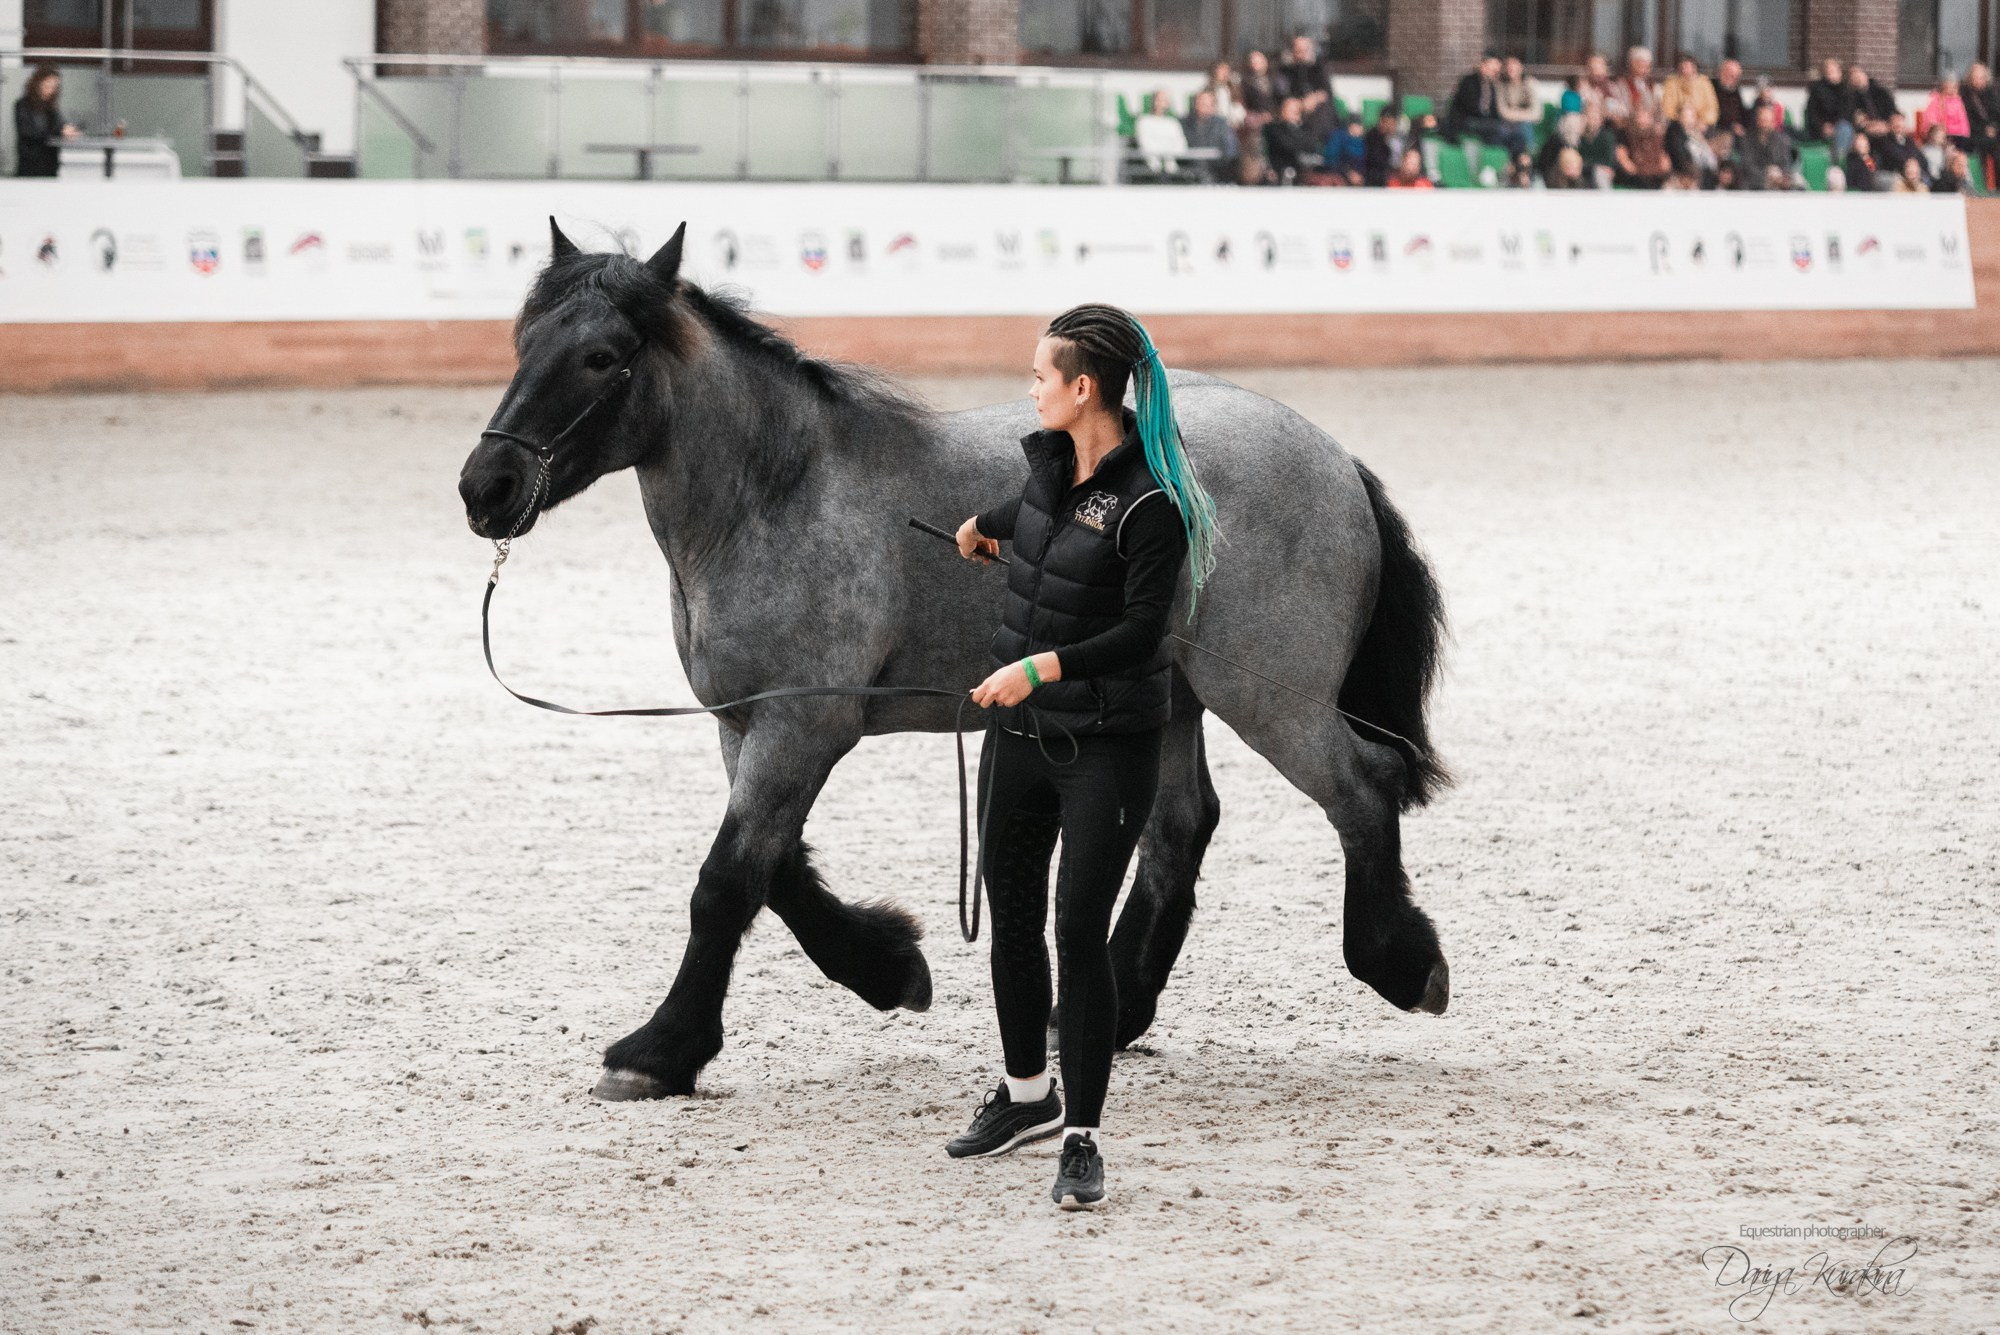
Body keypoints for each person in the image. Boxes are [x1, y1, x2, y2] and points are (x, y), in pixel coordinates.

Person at [950, 304, 1216, 1213]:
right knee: (1013, 914)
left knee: (1077, 929)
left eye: (1038, 377)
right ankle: (1028, 1094)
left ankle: (1083, 1136)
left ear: (1083, 388)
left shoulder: (1151, 503)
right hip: (1021, 739)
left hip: (1105, 746)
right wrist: (977, 528)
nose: (1028, 389)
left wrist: (1038, 665)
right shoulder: (1049, 468)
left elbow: (1144, 632)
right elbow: (1027, 520)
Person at [1447, 53, 1531, 158]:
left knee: (1517, 134)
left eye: (1496, 70)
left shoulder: (1491, 86)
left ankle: (1516, 163)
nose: (1494, 72)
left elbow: (1494, 110)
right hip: (1468, 121)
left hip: (1487, 124)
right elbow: (1473, 107)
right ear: (1483, 65)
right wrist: (1494, 121)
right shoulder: (1469, 81)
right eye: (1492, 68)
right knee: (1499, 130)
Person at [12, 64, 80, 178]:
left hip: (49, 162)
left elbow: (59, 123)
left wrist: (66, 129)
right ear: (38, 83)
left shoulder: (51, 107)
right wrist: (57, 132)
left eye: (54, 86)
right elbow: (28, 131)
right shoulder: (22, 105)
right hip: (30, 163)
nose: (50, 90)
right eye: (48, 84)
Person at [1733, 102, 1798, 190]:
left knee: (1798, 183)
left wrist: (1780, 176)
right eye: (1762, 120)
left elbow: (1786, 163)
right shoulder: (1747, 140)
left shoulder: (1782, 140)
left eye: (1767, 121)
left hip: (1779, 179)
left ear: (1773, 122)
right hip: (1756, 180)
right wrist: (1767, 175)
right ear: (1757, 121)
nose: (1765, 125)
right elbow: (1747, 166)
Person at [1181, 88, 1239, 184]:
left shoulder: (1221, 124)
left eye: (1207, 104)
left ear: (1213, 107)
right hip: (1189, 172)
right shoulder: (1184, 123)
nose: (1203, 106)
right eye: (1200, 103)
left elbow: (1230, 149)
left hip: (1216, 173)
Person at [1133, 91, 1192, 180]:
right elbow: (1145, 145)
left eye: (1164, 100)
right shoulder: (1144, 121)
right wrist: (1164, 151)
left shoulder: (1173, 123)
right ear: (1153, 101)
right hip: (1150, 171)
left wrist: (1168, 155)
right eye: (1158, 100)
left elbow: (1182, 145)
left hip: (1173, 171)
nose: (1161, 103)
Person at [1263, 96, 1320, 183]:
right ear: (1283, 110)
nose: (1295, 111)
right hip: (1282, 169)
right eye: (1291, 108)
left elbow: (1312, 145)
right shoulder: (1274, 128)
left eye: (1297, 108)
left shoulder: (1306, 129)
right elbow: (1287, 146)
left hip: (1304, 169)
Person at [1804, 57, 1854, 156]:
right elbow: (1812, 112)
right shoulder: (1817, 91)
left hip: (1840, 125)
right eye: (1828, 72)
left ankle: (1839, 160)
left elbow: (1847, 112)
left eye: (1833, 71)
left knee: (1845, 129)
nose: (1830, 74)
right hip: (1820, 128)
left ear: (1840, 73)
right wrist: (1822, 126)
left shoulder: (1846, 91)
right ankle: (1836, 162)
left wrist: (1834, 126)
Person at [1615, 104, 1671, 188]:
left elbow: (1664, 157)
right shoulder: (1625, 133)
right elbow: (1622, 156)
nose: (1644, 118)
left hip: (1656, 172)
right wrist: (1633, 169)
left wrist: (1664, 168)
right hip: (1636, 174)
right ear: (1635, 116)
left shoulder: (1657, 135)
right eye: (1641, 114)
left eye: (1646, 115)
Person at [1665, 101, 1720, 187]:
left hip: (1702, 168)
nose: (1691, 119)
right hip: (1685, 171)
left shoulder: (1696, 133)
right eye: (1687, 116)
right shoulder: (1675, 132)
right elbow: (1679, 156)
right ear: (1680, 117)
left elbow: (1707, 154)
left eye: (1692, 116)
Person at [1604, 45, 1661, 127]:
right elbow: (1614, 107)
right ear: (1632, 65)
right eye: (1640, 66)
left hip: (1650, 127)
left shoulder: (1655, 87)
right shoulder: (1620, 85)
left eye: (1646, 67)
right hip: (1628, 126)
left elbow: (1658, 109)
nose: (1643, 70)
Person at [1660, 52, 1718, 129]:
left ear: (1694, 68)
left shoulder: (1704, 83)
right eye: (1682, 67)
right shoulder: (1671, 83)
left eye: (1687, 67)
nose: (1684, 70)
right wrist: (1681, 119)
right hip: (1677, 125)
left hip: (1702, 125)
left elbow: (1712, 107)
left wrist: (1703, 121)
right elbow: (1667, 107)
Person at [1965, 63, 1998, 190]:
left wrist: (1994, 128)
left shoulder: (1993, 93)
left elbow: (1997, 114)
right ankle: (1981, 188)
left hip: (1993, 133)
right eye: (1976, 77)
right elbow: (1967, 120)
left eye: (1982, 77)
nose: (1980, 80)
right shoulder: (1966, 95)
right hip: (1975, 134)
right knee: (1980, 150)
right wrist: (1984, 130)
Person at [1497, 55, 1541, 146]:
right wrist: (1524, 114)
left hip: (1525, 123)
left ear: (1520, 68)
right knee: (1505, 128)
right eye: (1509, 68)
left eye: (1515, 68)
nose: (1512, 71)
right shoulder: (1501, 85)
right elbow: (1502, 112)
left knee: (1525, 126)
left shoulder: (1529, 83)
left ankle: (1526, 155)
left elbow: (1537, 113)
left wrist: (1515, 115)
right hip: (1507, 122)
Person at [1278, 33, 1333, 104]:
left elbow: (1327, 92)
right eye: (1298, 51)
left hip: (1317, 106)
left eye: (1305, 50)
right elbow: (1281, 92)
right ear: (1292, 52)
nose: (1302, 55)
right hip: (1294, 106)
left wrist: (1314, 98)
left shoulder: (1319, 68)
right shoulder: (1285, 70)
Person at [1576, 103, 1620, 187]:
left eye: (1595, 117)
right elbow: (1577, 159)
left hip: (1601, 172)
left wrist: (1594, 166)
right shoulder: (1578, 135)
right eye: (1589, 117)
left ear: (1601, 119)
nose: (1592, 120)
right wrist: (1593, 166)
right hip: (1582, 170)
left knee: (1599, 173)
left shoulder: (1607, 135)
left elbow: (1609, 160)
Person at [1873, 110, 1921, 186]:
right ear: (1889, 124)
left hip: (1911, 172)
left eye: (1900, 120)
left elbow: (1919, 157)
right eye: (1895, 121)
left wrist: (1914, 164)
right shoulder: (1884, 140)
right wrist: (1909, 162)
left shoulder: (1910, 141)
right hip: (1891, 173)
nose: (1898, 124)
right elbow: (1894, 155)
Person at [1924, 75, 1971, 149]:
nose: (1951, 90)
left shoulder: (1958, 102)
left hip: (1957, 135)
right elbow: (1930, 118)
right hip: (1942, 133)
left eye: (1954, 87)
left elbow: (1963, 121)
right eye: (1949, 87)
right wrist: (1939, 128)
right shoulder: (1936, 100)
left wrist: (1964, 134)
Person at [1321, 112, 1367, 185]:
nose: (1359, 128)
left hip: (1362, 179)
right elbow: (1331, 159)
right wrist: (1348, 173)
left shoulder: (1364, 141)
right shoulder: (1338, 138)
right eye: (1357, 125)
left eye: (1360, 125)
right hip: (1339, 177)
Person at [1361, 104, 1401, 186]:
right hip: (1376, 178)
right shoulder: (1372, 137)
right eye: (1386, 122)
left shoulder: (1399, 138)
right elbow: (1375, 161)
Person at [1713, 58, 1751, 137]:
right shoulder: (1711, 88)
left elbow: (1741, 112)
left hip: (1737, 131)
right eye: (1731, 75)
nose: (1733, 79)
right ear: (1722, 72)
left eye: (1736, 77)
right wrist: (1732, 126)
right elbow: (1714, 115)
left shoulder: (1734, 90)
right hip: (1719, 130)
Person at [1203, 60, 1243, 126]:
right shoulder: (1209, 90)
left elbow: (1239, 108)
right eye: (1222, 70)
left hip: (1233, 127)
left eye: (1227, 70)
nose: (1225, 73)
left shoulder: (1233, 89)